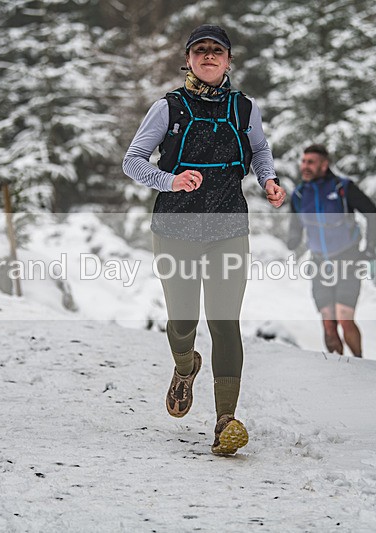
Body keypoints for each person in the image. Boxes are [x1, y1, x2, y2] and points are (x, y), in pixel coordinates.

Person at [122, 24, 285, 455]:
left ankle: (224, 420)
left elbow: (260, 152)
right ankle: (185, 364)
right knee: (182, 321)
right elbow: (132, 161)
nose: (209, 56)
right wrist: (170, 181)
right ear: (189, 59)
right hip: (174, 227)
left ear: (229, 60)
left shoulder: (245, 108)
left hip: (228, 227)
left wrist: (269, 180)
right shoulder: (168, 108)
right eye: (200, 50)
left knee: (224, 321)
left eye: (217, 50)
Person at [287, 144, 376, 357]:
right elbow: (295, 222)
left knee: (344, 318)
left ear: (324, 164)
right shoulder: (300, 194)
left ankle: (359, 362)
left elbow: (372, 212)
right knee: (328, 323)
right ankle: (338, 368)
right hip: (319, 262)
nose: (305, 166)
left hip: (347, 259)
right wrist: (293, 238)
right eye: (303, 161)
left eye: (311, 162)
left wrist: (371, 246)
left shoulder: (342, 188)